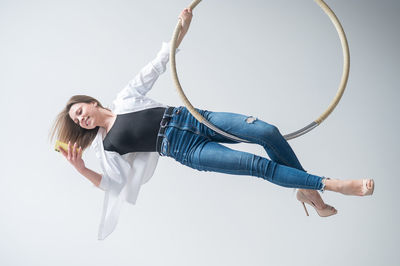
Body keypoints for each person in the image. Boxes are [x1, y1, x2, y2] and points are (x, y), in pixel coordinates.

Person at [49, 8, 374, 240]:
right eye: (78, 120)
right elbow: (112, 184)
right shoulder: (108, 146)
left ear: (91, 102)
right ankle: (329, 186)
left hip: (194, 118)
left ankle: (306, 191)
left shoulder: (125, 98)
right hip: (185, 149)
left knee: (267, 132)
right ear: (85, 126)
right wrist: (80, 168)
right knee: (256, 165)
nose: (81, 117)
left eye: (80, 110)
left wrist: (184, 27)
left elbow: (159, 64)